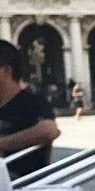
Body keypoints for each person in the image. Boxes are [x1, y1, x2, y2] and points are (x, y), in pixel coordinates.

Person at [0, 39, 61, 180]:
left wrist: (2, 143)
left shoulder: (33, 102)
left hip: (22, 183)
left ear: (6, 70)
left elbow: (49, 130)